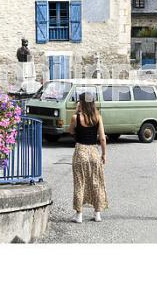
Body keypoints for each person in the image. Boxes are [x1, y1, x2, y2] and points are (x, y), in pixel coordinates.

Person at [68, 92, 108, 223]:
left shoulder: (76, 117)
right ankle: (97, 214)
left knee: (80, 183)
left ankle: (79, 215)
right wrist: (104, 154)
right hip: (94, 152)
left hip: (81, 151)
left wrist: (76, 112)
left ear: (81, 103)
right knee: (96, 182)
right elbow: (102, 138)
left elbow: (71, 131)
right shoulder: (98, 117)